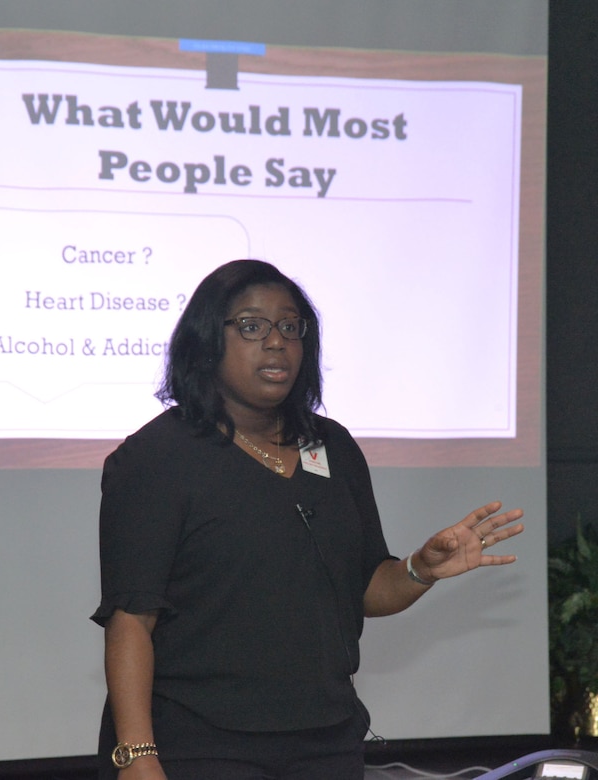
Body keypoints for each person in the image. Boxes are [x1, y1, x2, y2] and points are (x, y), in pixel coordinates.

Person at [91, 258, 524, 780]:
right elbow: (131, 620)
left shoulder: (332, 446)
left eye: (290, 327)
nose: (276, 342)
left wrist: (420, 569)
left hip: (326, 742)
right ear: (207, 341)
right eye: (251, 326)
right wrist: (137, 758)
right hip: (201, 745)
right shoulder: (157, 458)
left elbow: (365, 589)